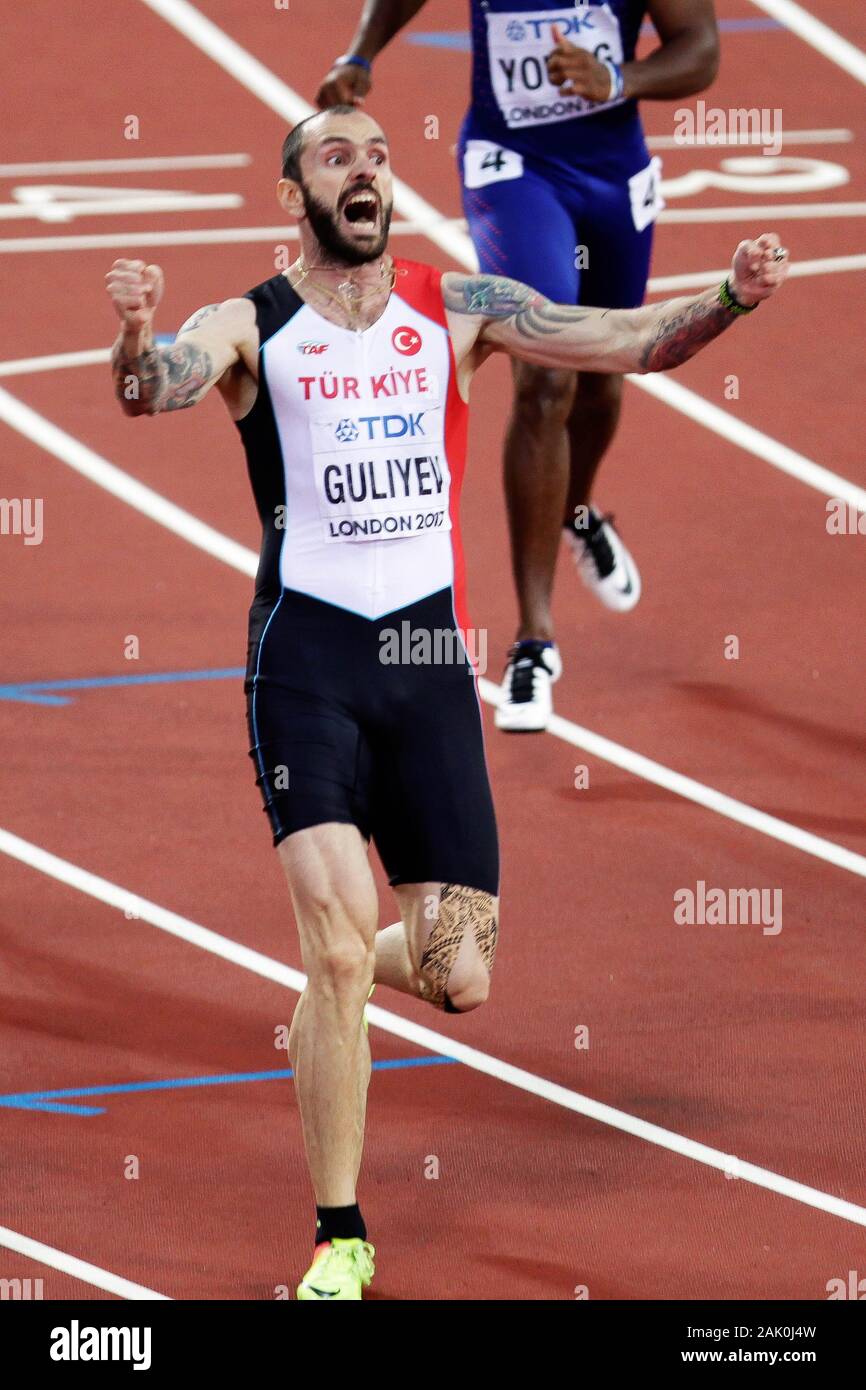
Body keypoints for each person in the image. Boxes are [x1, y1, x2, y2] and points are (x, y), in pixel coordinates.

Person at [105, 106, 787, 1300]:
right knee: (330, 942)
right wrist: (133, 335)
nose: (362, 170)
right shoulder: (247, 324)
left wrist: (724, 298)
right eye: (333, 157)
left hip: (425, 662)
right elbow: (147, 390)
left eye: (373, 153)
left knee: (459, 972)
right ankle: (341, 1234)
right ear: (292, 197)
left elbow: (624, 340)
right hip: (305, 661)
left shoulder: (458, 309)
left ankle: (339, 979)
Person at [317, 0, 720, 729]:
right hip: (513, 170)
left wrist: (616, 77)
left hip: (612, 175)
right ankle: (535, 641)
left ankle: (576, 512)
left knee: (603, 377)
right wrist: (361, 55)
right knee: (543, 373)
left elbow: (701, 50)